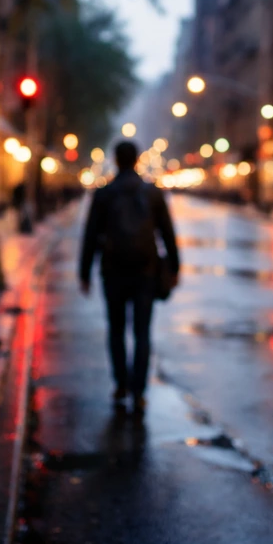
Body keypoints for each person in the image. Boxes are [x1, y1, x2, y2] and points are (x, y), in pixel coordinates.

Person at [79, 140, 179, 412]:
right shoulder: (152, 193)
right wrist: (174, 268)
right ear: (136, 160)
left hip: (113, 271)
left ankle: (121, 383)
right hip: (145, 271)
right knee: (142, 332)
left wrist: (84, 272)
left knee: (116, 329)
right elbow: (167, 232)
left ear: (115, 160)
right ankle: (139, 391)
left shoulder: (104, 193)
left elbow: (90, 234)